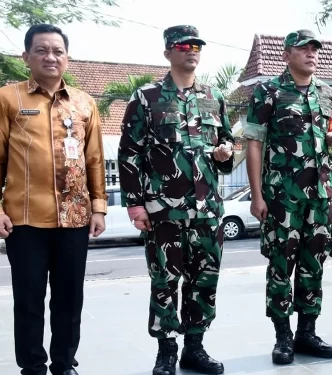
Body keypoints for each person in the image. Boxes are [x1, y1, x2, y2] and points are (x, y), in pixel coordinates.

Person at [118, 25, 234, 375]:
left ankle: (194, 347)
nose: (191, 50)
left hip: (208, 209)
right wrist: (135, 204)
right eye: (183, 45)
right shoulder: (146, 98)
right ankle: (167, 349)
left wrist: (226, 154)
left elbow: (226, 151)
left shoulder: (214, 97)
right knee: (165, 280)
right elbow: (129, 155)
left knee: (204, 280)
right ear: (168, 52)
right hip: (164, 210)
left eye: (196, 45)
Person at [0, 24, 107, 375]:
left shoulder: (84, 102)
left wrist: (99, 207)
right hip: (25, 220)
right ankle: (32, 367)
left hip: (74, 219)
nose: (51, 57)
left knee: (69, 299)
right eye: (42, 50)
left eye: (57, 51)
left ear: (67, 57)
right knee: (29, 301)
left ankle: (64, 364)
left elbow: (94, 159)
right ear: (26, 56)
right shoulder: (7, 98)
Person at [243, 29, 332, 365]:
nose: (311, 54)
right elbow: (254, 142)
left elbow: (325, 134)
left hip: (319, 196)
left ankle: (307, 332)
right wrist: (257, 196)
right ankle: (283, 337)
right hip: (282, 196)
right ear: (286, 55)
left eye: (315, 49)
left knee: (314, 263)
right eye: (303, 49)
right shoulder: (268, 91)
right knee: (281, 265)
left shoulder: (327, 92)